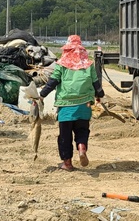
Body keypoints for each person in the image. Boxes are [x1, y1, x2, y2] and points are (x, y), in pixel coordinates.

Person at [39, 34, 105, 171]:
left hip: (66, 106)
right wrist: (100, 96)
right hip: (85, 106)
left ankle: (67, 163)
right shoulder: (88, 64)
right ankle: (81, 148)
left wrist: (41, 95)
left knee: (65, 136)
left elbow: (53, 82)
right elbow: (96, 83)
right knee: (82, 130)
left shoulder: (61, 65)